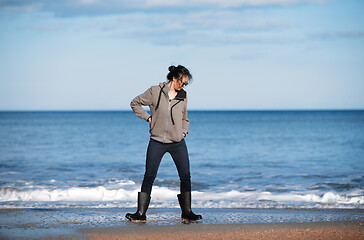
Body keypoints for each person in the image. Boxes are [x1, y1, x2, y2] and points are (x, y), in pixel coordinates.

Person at [126, 65, 202, 222]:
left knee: (185, 176)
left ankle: (186, 213)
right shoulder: (155, 91)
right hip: (157, 141)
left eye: (186, 84)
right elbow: (135, 103)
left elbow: (184, 117)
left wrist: (184, 131)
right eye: (183, 82)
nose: (184, 86)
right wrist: (148, 118)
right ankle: (140, 214)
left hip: (177, 142)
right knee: (149, 176)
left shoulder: (183, 96)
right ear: (174, 79)